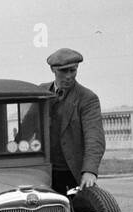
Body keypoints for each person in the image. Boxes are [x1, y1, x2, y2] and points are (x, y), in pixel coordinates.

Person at [41, 47, 105, 194]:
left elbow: (95, 138)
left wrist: (89, 171)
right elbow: (27, 129)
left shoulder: (88, 99)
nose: (69, 76)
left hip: (72, 174)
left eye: (73, 70)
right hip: (42, 173)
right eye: (64, 71)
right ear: (53, 70)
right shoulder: (41, 93)